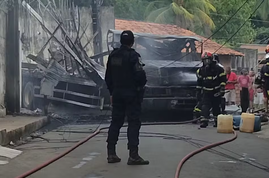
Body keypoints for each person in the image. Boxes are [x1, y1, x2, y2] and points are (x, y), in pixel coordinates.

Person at [105, 30, 149, 165]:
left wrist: (112, 92)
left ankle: (111, 153)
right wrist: (140, 87)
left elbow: (108, 77)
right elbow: (140, 76)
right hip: (131, 95)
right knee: (133, 123)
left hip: (117, 94)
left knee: (116, 122)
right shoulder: (133, 56)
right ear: (132, 42)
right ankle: (133, 155)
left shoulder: (113, 56)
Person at [196, 52, 227, 128]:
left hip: (216, 91)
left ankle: (217, 122)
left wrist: (222, 88)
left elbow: (223, 79)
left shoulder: (219, 69)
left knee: (216, 107)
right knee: (205, 107)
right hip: (206, 92)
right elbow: (199, 82)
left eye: (208, 60)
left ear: (211, 59)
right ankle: (204, 121)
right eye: (205, 60)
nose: (206, 62)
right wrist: (198, 92)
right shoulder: (200, 71)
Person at [260, 45, 269, 113]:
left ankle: (266, 109)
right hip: (266, 84)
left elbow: (261, 76)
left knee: (265, 97)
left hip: (265, 84)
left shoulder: (263, 67)